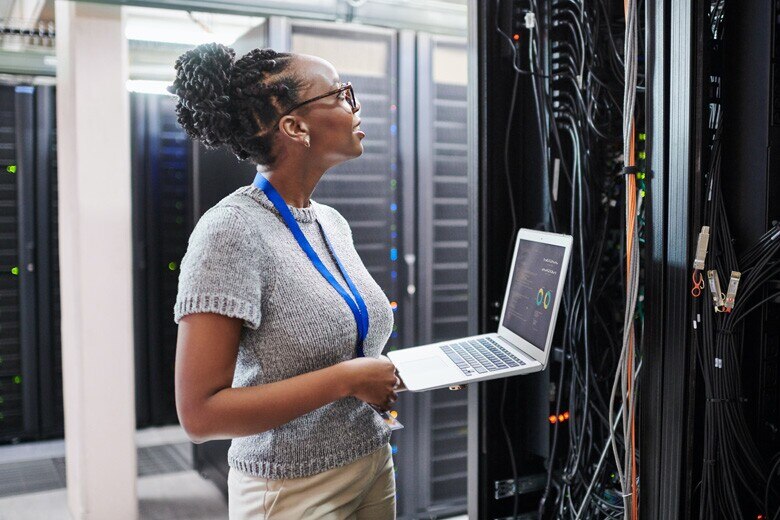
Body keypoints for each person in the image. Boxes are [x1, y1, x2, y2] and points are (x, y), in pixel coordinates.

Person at [168, 43, 401, 519]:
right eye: (340, 95)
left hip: (371, 461)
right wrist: (347, 379)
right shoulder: (229, 231)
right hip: (290, 489)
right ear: (294, 126)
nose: (355, 107)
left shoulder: (330, 222)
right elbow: (200, 414)